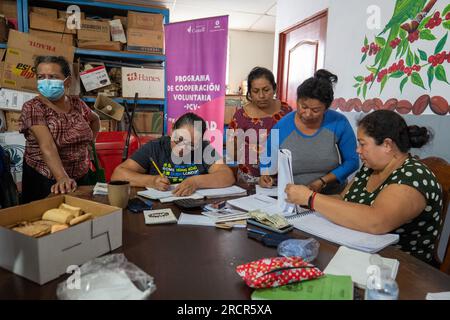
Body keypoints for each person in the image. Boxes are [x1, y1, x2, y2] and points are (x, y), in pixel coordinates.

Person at [285, 110, 443, 263]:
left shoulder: (414, 176)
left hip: (401, 269)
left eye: (362, 144)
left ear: (387, 145)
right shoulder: (371, 168)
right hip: (359, 254)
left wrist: (311, 199)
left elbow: (376, 221)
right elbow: (343, 198)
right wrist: (305, 202)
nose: (357, 150)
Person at [260, 69, 359, 194]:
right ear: (297, 101)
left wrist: (323, 181)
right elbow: (267, 160)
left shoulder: (339, 122)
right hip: (292, 196)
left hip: (332, 195)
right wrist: (265, 176)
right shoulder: (282, 126)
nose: (307, 114)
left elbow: (352, 161)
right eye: (303, 106)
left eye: (315, 110)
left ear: (326, 108)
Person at [19, 55, 100, 203]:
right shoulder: (33, 107)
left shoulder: (77, 103)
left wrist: (89, 144)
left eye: (53, 76)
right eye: (41, 77)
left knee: (83, 217)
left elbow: (95, 120)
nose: (46, 81)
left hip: (82, 174)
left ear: (67, 81)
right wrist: (62, 177)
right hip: (48, 179)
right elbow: (47, 145)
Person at [112, 112, 235, 196]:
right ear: (172, 130)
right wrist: (151, 181)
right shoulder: (154, 147)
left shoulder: (204, 149)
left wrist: (196, 182)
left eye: (191, 145)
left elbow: (227, 176)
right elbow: (118, 174)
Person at [227, 67, 292, 184]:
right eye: (256, 91)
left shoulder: (286, 110)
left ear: (274, 88)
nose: (261, 96)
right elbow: (233, 152)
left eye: (266, 90)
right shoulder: (241, 115)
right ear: (250, 93)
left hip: (280, 176)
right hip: (250, 177)